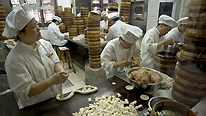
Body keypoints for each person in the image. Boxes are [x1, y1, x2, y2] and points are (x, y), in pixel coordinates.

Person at [2, 4, 69, 108]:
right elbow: (26, 90)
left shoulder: (44, 44)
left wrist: (61, 71)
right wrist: (51, 81)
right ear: (20, 33)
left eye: (37, 24)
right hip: (35, 106)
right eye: (33, 27)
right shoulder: (14, 59)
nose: (38, 29)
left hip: (54, 99)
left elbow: (55, 61)